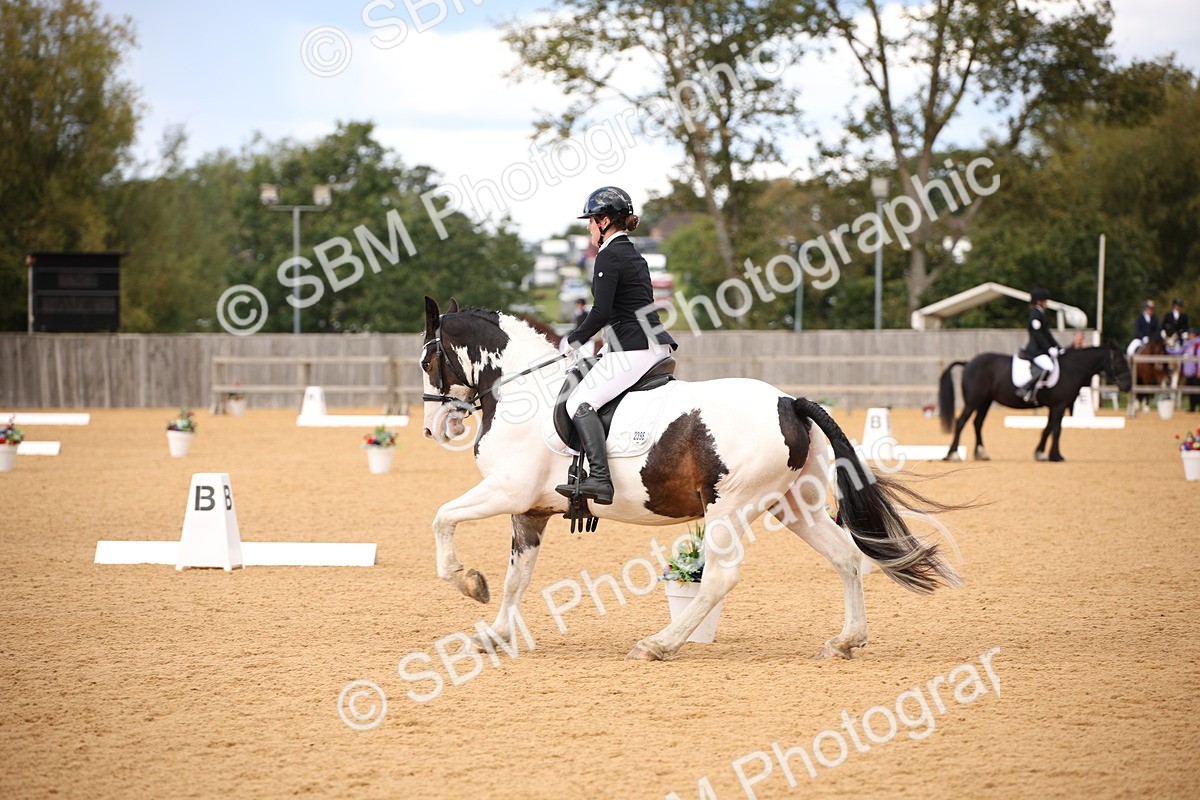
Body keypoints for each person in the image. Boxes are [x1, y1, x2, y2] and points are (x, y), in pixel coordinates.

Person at [555, 186, 677, 505]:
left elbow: (603, 311)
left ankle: (600, 478)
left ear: (605, 221)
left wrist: (574, 339)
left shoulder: (609, 255)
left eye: (592, 220)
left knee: (579, 403)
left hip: (633, 349)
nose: (588, 226)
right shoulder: (633, 253)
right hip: (649, 344)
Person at [1017, 288, 1064, 403]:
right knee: (1048, 367)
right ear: (1039, 302)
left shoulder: (1041, 314)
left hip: (1041, 350)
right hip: (1035, 350)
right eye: (1045, 301)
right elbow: (1038, 335)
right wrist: (1049, 349)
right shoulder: (1035, 314)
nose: (1046, 304)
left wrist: (1058, 347)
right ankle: (1025, 389)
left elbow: (1047, 334)